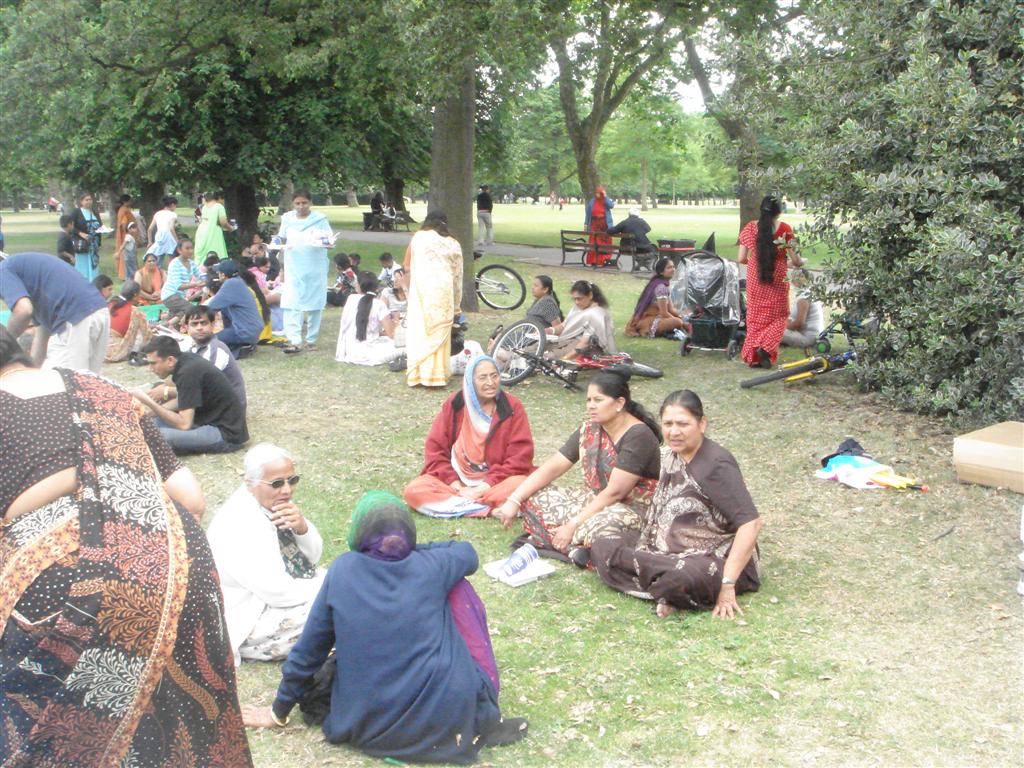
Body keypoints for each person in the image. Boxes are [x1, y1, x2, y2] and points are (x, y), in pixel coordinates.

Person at [0, 327, 253, 767]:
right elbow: (192, 499)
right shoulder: (100, 390)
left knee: (58, 738)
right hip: (177, 560)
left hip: (60, 581)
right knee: (184, 727)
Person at [242, 491, 527, 764]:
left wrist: (278, 711)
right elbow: (466, 553)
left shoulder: (343, 570)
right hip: (445, 725)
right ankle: (485, 707)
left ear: (358, 534)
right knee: (459, 587)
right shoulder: (434, 565)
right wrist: (408, 548)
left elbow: (309, 651)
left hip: (367, 729)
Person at [592, 390, 764, 618]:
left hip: (712, 558)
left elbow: (751, 524)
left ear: (701, 424)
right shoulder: (667, 456)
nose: (674, 432)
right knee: (603, 543)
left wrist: (728, 585)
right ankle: (661, 585)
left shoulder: (716, 464)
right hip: (663, 552)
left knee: (682, 577)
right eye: (668, 424)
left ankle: (664, 585)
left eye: (683, 424)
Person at [496, 371, 660, 567]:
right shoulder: (590, 429)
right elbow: (554, 466)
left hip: (632, 509)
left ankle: (565, 541)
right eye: (589, 400)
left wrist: (573, 524)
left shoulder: (638, 435)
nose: (591, 405)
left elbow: (616, 492)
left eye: (598, 400)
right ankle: (575, 549)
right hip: (594, 500)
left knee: (603, 530)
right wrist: (515, 499)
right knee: (535, 498)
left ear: (619, 403)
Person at [206, 443, 325, 665]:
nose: (287, 490)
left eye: (292, 480)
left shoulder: (272, 501)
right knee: (333, 605)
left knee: (341, 587)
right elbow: (278, 592)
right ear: (250, 484)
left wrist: (302, 528)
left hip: (273, 596)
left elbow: (312, 558)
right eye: (277, 483)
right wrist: (327, 588)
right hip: (247, 618)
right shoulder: (241, 522)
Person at [404, 355, 534, 518]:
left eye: (494, 376)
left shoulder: (512, 407)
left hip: (497, 483)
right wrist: (458, 487)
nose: (490, 383)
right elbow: (435, 450)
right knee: (415, 491)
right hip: (457, 482)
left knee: (524, 486)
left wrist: (483, 488)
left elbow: (520, 459)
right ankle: (486, 509)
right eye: (482, 377)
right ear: (470, 381)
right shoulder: (455, 404)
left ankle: (461, 505)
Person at [132, 334, 249, 454]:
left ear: (170, 360)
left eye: (153, 363)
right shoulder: (186, 361)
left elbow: (184, 424)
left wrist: (149, 402)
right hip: (206, 420)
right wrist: (147, 415)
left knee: (152, 436)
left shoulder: (188, 373)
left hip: (226, 435)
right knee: (149, 425)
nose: (150, 368)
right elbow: (184, 400)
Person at [0, 252, 109, 372]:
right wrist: (32, 370)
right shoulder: (29, 277)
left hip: (74, 318)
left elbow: (23, 311)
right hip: (98, 311)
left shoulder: (3, 270)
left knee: (60, 382)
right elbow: (42, 335)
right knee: (87, 383)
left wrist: (4, 343)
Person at [737, 195, 804, 368]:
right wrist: (798, 263)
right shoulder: (786, 229)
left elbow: (741, 258)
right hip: (777, 277)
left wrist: (755, 261)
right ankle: (766, 348)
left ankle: (754, 355)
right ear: (779, 211)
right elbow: (795, 260)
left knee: (756, 316)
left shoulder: (750, 228)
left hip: (756, 276)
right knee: (780, 315)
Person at [404, 210, 463, 387]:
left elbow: (407, 265)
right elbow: (458, 275)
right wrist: (457, 304)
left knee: (421, 331)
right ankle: (438, 375)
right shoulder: (453, 243)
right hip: (444, 292)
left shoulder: (419, 238)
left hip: (421, 291)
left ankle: (418, 374)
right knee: (439, 332)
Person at [277, 190, 332, 353]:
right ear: (293, 204)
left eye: (304, 203)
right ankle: (294, 340)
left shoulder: (319, 219)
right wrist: (281, 267)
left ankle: (311, 339)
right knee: (291, 302)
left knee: (315, 303)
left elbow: (329, 241)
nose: (301, 206)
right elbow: (281, 240)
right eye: (297, 203)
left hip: (315, 267)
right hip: (293, 266)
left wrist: (324, 242)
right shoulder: (287, 219)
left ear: (310, 203)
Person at [183, 304, 248, 411]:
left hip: (227, 413)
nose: (199, 328)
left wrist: (167, 391)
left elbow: (202, 387)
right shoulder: (194, 347)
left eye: (203, 323)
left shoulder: (216, 349)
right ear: (186, 328)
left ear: (212, 325)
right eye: (194, 324)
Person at [334, 271, 402, 366]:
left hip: (349, 350)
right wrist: (396, 320)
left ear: (359, 285)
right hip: (370, 354)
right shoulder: (379, 304)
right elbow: (392, 334)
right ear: (376, 287)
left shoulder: (351, 299)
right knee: (404, 347)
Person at [545, 280, 616, 358]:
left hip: (584, 349)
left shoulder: (596, 314)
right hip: (566, 341)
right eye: (574, 299)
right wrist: (550, 330)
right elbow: (564, 325)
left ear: (590, 295)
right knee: (533, 349)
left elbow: (584, 344)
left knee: (548, 357)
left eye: (579, 299)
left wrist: (564, 359)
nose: (576, 302)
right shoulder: (578, 308)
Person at [207, 259, 264, 355]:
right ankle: (244, 345)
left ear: (223, 275)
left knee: (208, 341)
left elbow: (210, 308)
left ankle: (240, 348)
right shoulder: (239, 281)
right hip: (252, 330)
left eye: (219, 273)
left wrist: (188, 317)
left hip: (244, 331)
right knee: (225, 309)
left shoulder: (231, 283)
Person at [624, 257, 686, 338]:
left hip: (656, 317)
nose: (673, 269)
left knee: (681, 319)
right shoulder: (661, 288)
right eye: (669, 268)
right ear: (661, 272)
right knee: (678, 322)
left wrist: (682, 316)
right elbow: (664, 313)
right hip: (648, 321)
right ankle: (645, 330)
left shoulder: (664, 285)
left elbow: (671, 309)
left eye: (673, 267)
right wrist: (680, 321)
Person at [105, 279, 152, 362]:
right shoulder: (134, 311)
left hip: (99, 348)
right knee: (141, 335)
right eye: (139, 295)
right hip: (115, 352)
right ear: (135, 295)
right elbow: (147, 335)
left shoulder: (110, 303)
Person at [782, 268, 825, 349]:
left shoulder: (804, 297)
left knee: (773, 330)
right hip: (811, 335)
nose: (797, 278)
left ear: (807, 279)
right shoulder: (809, 292)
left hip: (808, 339)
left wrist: (785, 326)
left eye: (800, 276)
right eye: (795, 276)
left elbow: (799, 324)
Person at [160, 237, 203, 318]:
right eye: (187, 248)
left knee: (179, 316)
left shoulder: (192, 263)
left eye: (191, 248)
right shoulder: (175, 264)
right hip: (170, 295)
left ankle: (164, 324)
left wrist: (209, 279)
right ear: (179, 250)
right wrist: (196, 284)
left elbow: (200, 275)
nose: (190, 251)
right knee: (191, 310)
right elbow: (178, 286)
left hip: (180, 297)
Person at [70, 192, 102, 280]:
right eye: (86, 200)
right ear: (81, 201)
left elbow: (100, 226)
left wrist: (99, 241)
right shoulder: (77, 212)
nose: (88, 202)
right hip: (82, 244)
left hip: (93, 244)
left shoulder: (94, 212)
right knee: (82, 265)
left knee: (93, 265)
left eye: (90, 199)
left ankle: (93, 281)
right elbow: (70, 226)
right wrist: (80, 233)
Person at [194, 189, 234, 261]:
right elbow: (223, 222)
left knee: (204, 252)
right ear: (219, 198)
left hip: (202, 231)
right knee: (216, 250)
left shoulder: (205, 207)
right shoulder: (219, 207)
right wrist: (230, 228)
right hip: (213, 232)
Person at [145, 194, 180, 268]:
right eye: (175, 205)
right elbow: (171, 228)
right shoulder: (173, 214)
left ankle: (156, 273)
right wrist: (177, 241)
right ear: (172, 204)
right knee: (172, 258)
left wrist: (150, 242)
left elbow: (150, 229)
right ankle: (171, 273)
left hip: (160, 236)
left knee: (159, 257)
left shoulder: (157, 214)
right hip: (169, 237)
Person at [583, 185, 615, 266]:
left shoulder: (605, 201)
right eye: (596, 193)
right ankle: (593, 260)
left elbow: (611, 205)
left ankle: (603, 260)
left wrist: (605, 196)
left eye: (599, 193)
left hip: (604, 225)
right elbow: (588, 214)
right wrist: (586, 225)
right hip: (594, 225)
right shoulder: (592, 201)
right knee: (593, 243)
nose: (597, 195)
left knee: (604, 244)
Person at [113, 193, 135, 278]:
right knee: (126, 253)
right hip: (125, 235)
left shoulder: (123, 209)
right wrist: (126, 233)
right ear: (125, 201)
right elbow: (124, 223)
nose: (131, 202)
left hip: (124, 234)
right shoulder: (124, 210)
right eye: (129, 201)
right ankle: (124, 274)